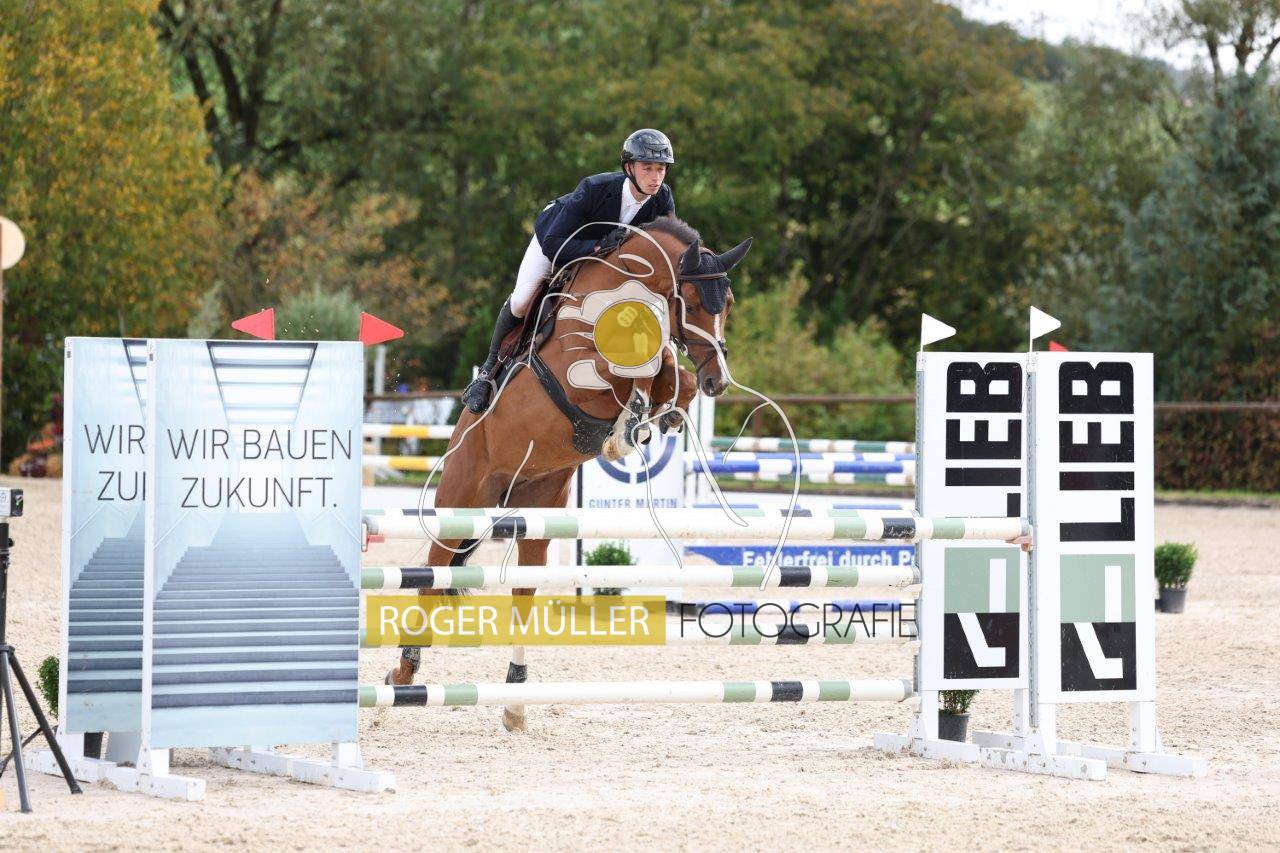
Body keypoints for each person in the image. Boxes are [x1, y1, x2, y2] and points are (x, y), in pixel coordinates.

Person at [461, 128, 677, 413]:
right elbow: (554, 243)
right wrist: (598, 247)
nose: (655, 177)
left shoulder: (662, 200)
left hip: (606, 262)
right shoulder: (595, 188)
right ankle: (487, 373)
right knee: (523, 300)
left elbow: (662, 252)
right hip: (557, 241)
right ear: (629, 168)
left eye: (660, 169)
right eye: (647, 168)